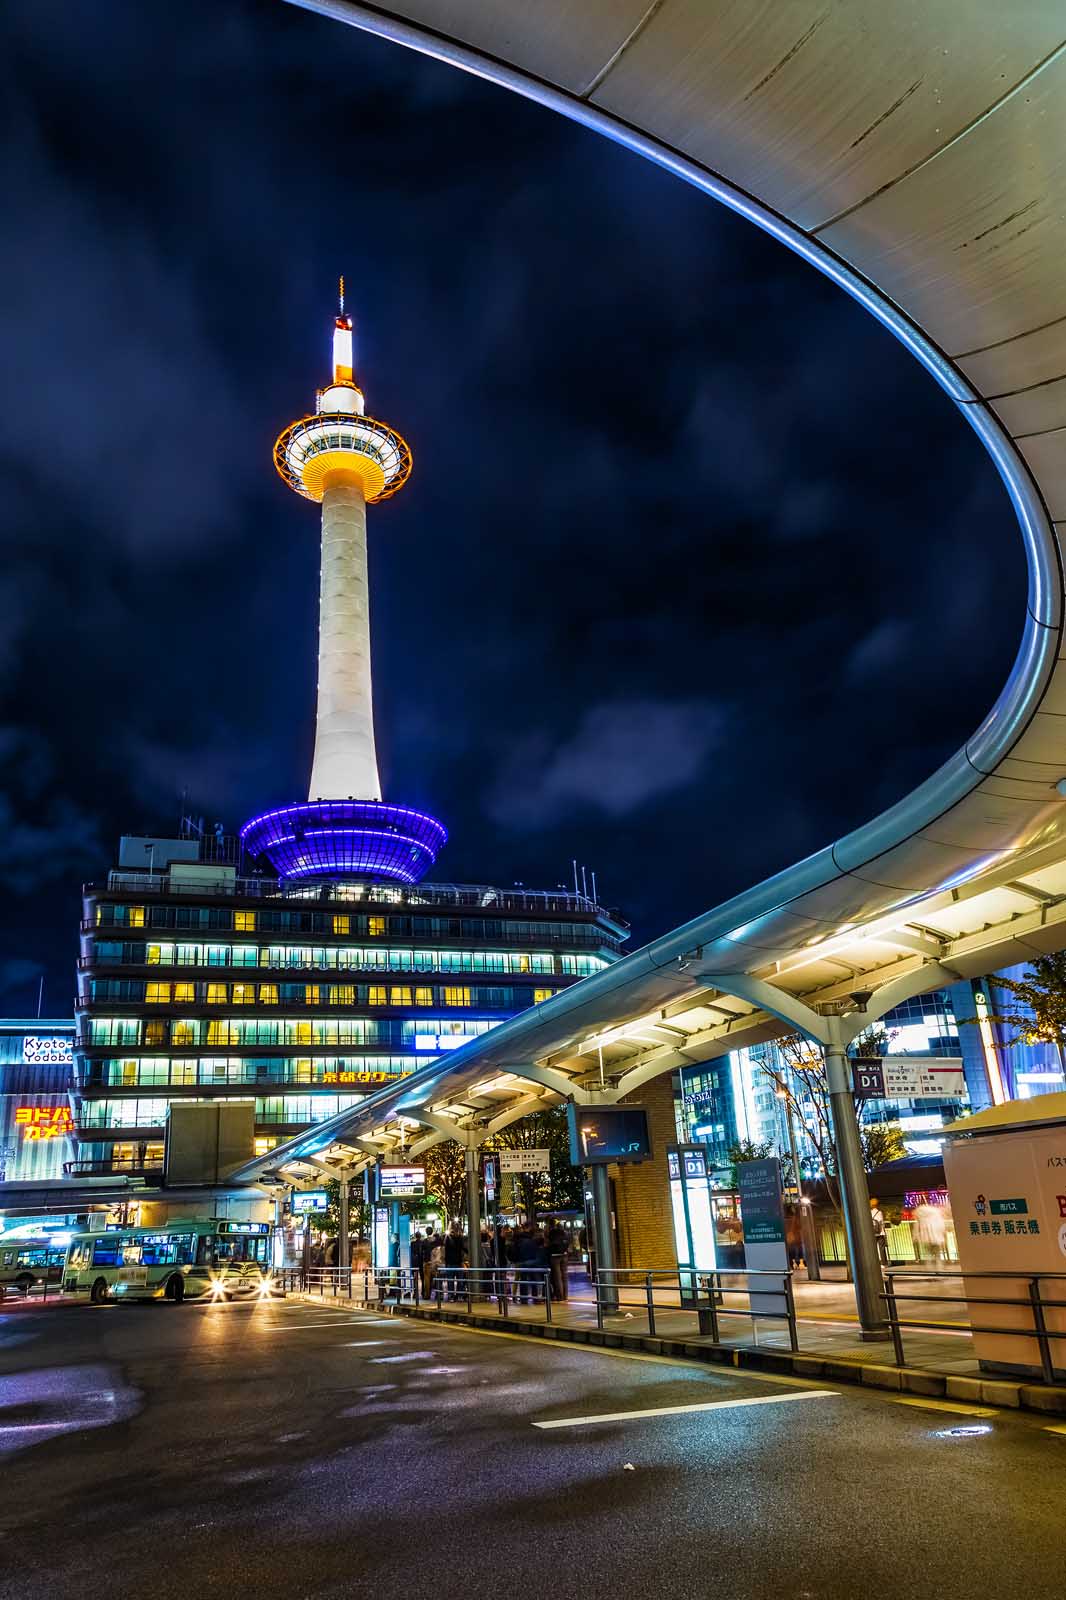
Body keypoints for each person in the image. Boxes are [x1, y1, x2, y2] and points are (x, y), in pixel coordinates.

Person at [547, 1219, 569, 1302]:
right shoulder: (565, 1234)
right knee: (564, 1276)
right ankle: (565, 1296)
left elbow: (549, 1243)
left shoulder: (552, 1233)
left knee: (557, 1276)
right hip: (564, 1255)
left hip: (555, 1256)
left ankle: (560, 1296)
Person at [443, 1222, 467, 1298]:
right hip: (458, 1262)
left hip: (450, 1263)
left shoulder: (447, 1238)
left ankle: (451, 1296)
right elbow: (463, 1248)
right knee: (460, 1280)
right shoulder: (460, 1238)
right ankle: (460, 1295)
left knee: (450, 1281)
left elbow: (445, 1250)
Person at [869, 1197, 889, 1266]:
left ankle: (874, 1263)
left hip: (872, 1233)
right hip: (880, 1233)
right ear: (877, 1204)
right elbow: (882, 1223)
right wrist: (883, 1231)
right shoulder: (879, 1212)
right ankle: (884, 1264)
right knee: (882, 1249)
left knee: (873, 1250)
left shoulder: (869, 1213)